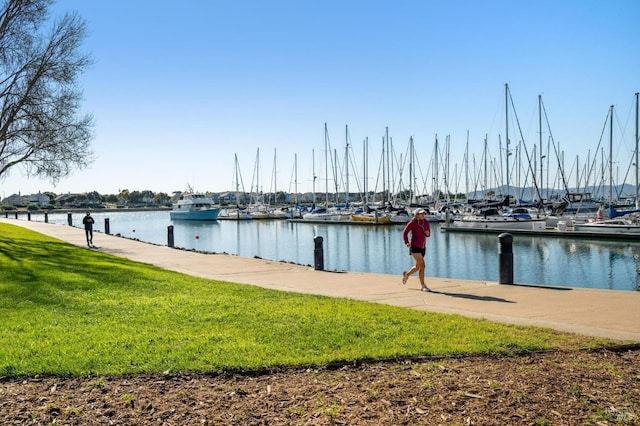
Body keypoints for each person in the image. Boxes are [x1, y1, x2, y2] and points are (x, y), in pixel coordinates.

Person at [401, 208, 431, 291]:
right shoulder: (412, 223)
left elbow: (428, 234)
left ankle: (407, 274)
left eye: (424, 214)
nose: (423, 215)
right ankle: (423, 286)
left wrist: (427, 234)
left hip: (423, 247)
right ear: (416, 215)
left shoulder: (426, 223)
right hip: (414, 247)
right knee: (423, 266)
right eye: (421, 214)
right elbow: (405, 232)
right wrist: (406, 242)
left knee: (418, 267)